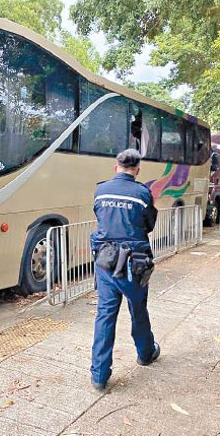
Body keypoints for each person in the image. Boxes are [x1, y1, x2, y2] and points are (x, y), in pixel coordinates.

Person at [90, 148, 160, 391]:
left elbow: (100, 217)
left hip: (106, 259)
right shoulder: (142, 193)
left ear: (115, 167)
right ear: (137, 169)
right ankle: (145, 353)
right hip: (134, 262)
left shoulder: (100, 190)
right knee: (138, 309)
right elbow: (149, 224)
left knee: (105, 314)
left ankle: (99, 375)